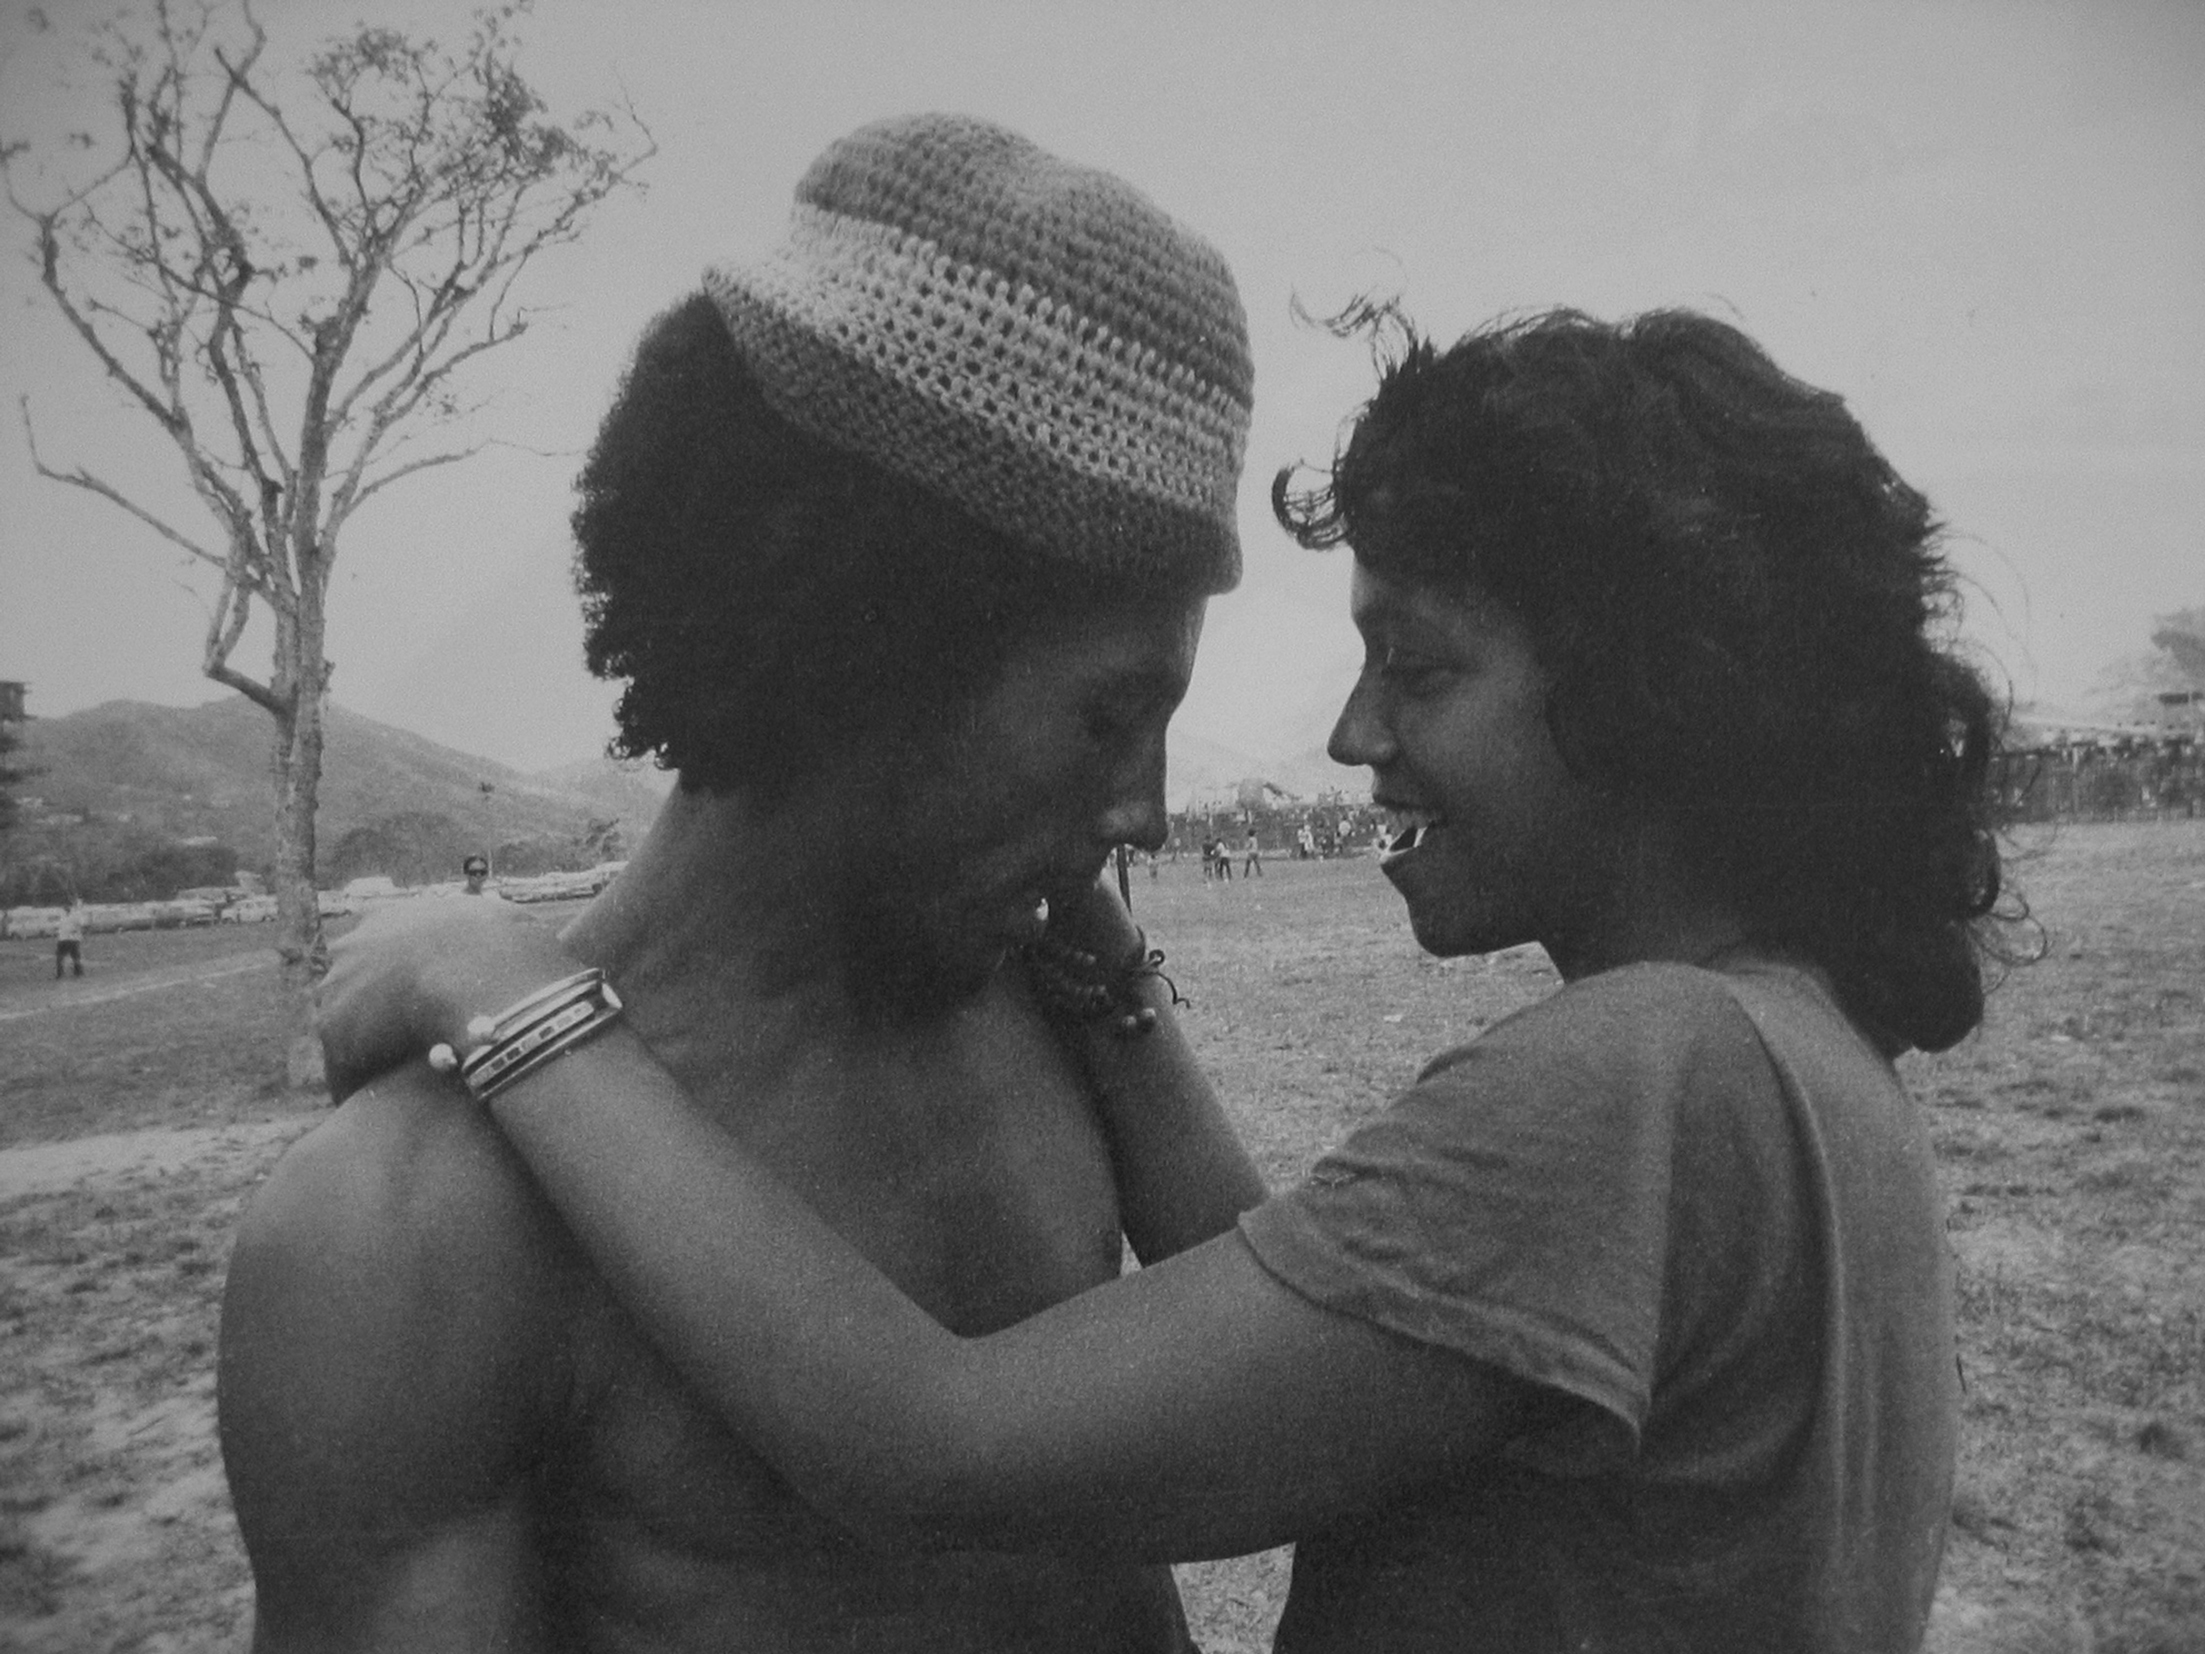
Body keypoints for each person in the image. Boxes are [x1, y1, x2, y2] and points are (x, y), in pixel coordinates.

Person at [320, 306, 2010, 1651]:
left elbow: (929, 1445)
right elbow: (1324, 1375)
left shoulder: (1640, 1077)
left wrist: (500, 988)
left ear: (1650, 693)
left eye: (1419, 667)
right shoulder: (1799, 1052)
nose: (1353, 732)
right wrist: (1117, 988)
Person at [219, 113, 1259, 1653]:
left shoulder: (1064, 1019)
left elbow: (1251, 1371)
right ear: (866, 650)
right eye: (1110, 716)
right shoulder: (408, 1221)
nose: (1148, 815)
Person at [54, 899, 84, 978]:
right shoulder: (62, 914)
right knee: (59, 957)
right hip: (62, 938)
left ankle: (78, 971)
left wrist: (75, 931)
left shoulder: (75, 914)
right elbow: (59, 925)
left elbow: (80, 924)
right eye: (64, 905)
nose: (65, 907)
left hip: (73, 939)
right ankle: (59, 973)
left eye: (67, 905)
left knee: (75, 957)